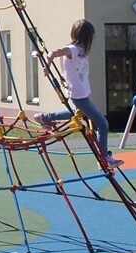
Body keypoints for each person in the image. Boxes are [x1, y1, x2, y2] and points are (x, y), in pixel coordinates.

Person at [33, 19, 123, 167]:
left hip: (81, 94)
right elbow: (53, 53)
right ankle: (103, 158)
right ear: (87, 37)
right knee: (103, 124)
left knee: (76, 113)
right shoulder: (73, 50)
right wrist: (47, 66)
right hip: (79, 96)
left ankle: (44, 117)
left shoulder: (80, 52)